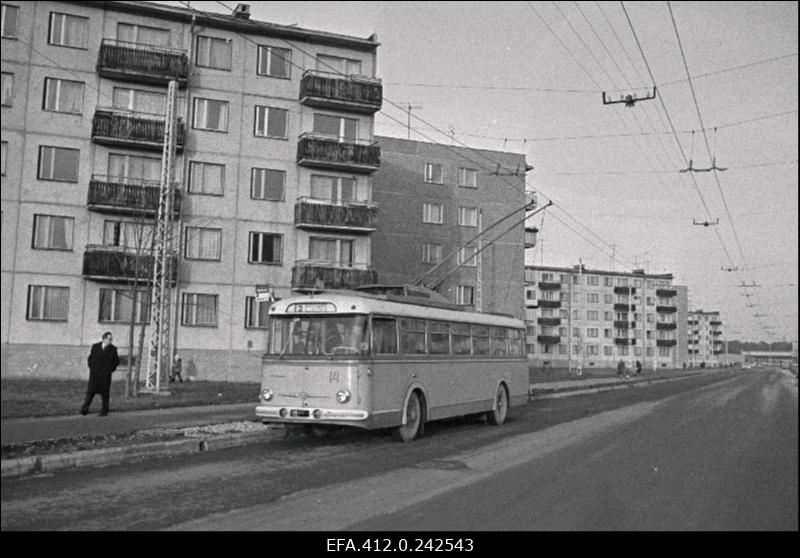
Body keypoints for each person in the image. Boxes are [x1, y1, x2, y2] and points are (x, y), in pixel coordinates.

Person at [80, 331, 120, 416]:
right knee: (90, 392)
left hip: (105, 375)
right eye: (109, 339)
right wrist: (92, 368)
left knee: (105, 393)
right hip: (95, 374)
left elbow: (116, 362)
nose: (111, 341)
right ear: (104, 339)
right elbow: (90, 358)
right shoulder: (95, 347)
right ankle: (84, 409)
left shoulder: (113, 349)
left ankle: (104, 410)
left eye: (111, 339)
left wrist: (110, 370)